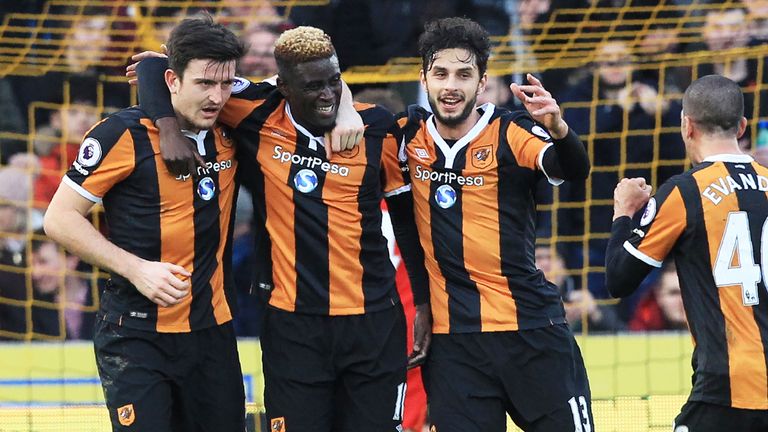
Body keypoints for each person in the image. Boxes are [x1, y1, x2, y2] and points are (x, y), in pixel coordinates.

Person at [136, 26, 430, 432]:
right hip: (293, 327)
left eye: (334, 82)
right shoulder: (253, 110)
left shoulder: (376, 127)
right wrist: (168, 128)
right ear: (283, 87)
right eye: (313, 86)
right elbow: (154, 69)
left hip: (373, 323)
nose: (326, 94)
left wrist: (425, 304)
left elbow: (406, 222)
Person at [43, 15, 248, 431]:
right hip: (136, 334)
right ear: (172, 81)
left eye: (226, 84)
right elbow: (59, 219)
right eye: (204, 84)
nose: (217, 97)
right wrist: (136, 268)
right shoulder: (121, 134)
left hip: (212, 334)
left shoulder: (234, 129)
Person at [397, 17, 593, 432]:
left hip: (531, 330)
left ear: (482, 83)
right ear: (424, 79)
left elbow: (571, 167)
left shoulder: (511, 131)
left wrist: (558, 127)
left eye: (464, 74)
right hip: (454, 346)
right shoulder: (404, 136)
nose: (451, 86)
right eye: (441, 73)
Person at [606, 74, 768, 431]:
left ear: (687, 125)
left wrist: (623, 213)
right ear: (742, 126)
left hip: (728, 386)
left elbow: (618, 279)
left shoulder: (685, 192)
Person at [628, 261, 687, 331]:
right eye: (673, 293)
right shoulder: (640, 330)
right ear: (659, 296)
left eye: (687, 293)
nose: (682, 300)